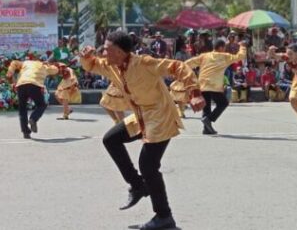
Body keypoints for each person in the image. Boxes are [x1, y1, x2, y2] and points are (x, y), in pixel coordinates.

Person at [80, 31, 205, 230]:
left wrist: (195, 93)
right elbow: (92, 65)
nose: (103, 53)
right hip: (142, 116)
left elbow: (179, 67)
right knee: (111, 139)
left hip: (161, 115)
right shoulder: (111, 65)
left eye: (107, 49)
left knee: (148, 165)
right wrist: (86, 57)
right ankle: (138, 185)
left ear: (120, 52)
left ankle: (164, 217)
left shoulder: (145, 63)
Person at [185, 40, 247, 134]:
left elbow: (189, 63)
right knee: (223, 103)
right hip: (214, 85)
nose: (225, 49)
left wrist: (177, 68)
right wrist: (242, 46)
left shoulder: (204, 56)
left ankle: (206, 129)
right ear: (221, 47)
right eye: (224, 48)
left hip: (203, 84)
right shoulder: (224, 56)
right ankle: (209, 119)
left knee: (206, 107)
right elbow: (240, 56)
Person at [6, 57, 59, 139]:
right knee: (41, 105)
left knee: (22, 109)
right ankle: (33, 118)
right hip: (34, 84)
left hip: (21, 84)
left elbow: (14, 62)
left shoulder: (27, 63)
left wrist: (10, 71)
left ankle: (25, 132)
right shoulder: (45, 66)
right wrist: (50, 64)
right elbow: (56, 70)